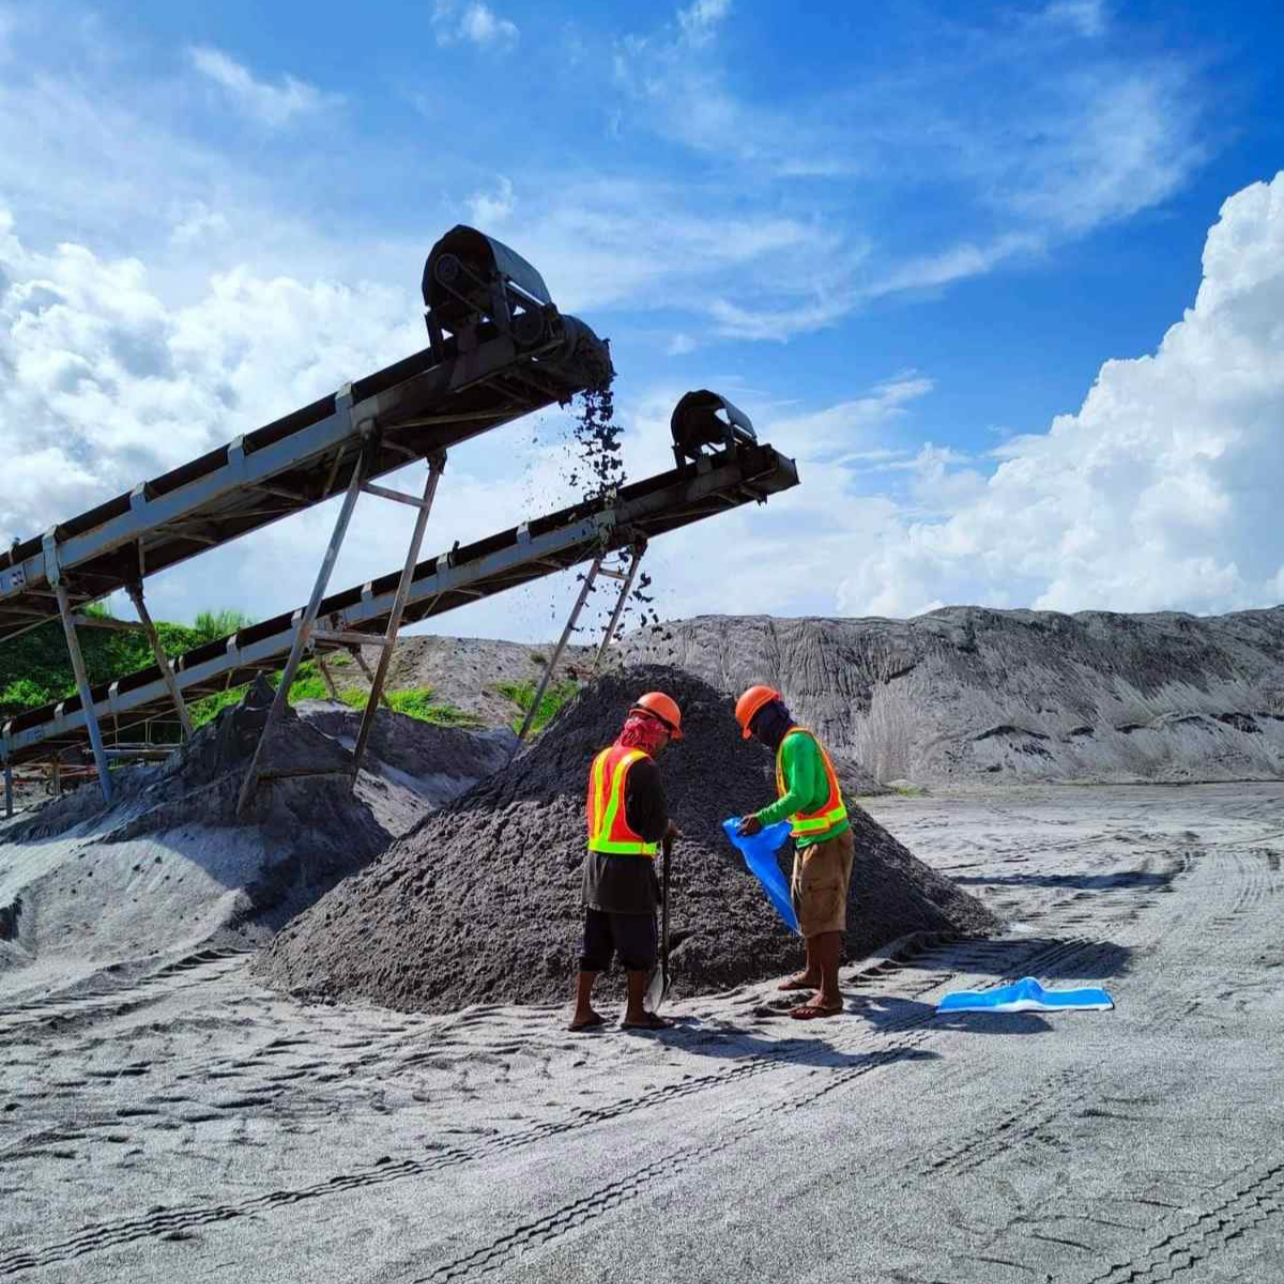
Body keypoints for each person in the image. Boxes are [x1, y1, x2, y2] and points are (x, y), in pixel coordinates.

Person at [735, 685, 854, 1020]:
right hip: (809, 839)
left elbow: (802, 794)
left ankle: (829, 995)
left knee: (824, 915)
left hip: (827, 840)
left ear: (768, 717)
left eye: (756, 728)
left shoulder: (796, 743)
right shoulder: (788, 746)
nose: (756, 737)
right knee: (806, 907)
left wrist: (763, 818)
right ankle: (813, 972)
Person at [570, 691, 682, 1033]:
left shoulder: (603, 758)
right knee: (639, 944)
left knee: (595, 940)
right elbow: (649, 828)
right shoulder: (642, 766)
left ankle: (582, 1011)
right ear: (654, 728)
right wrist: (668, 829)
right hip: (629, 869)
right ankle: (635, 1012)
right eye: (666, 734)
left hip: (595, 864)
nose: (666, 742)